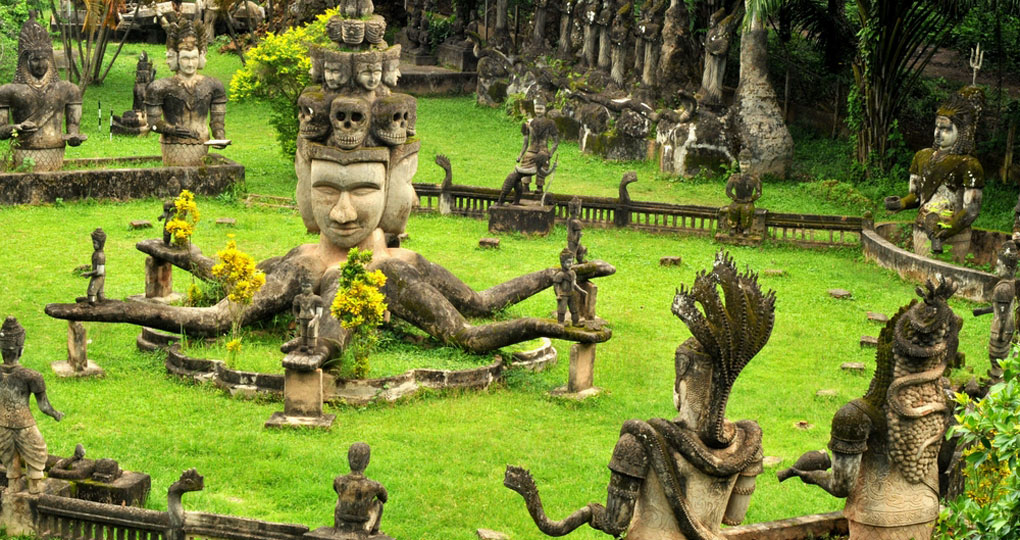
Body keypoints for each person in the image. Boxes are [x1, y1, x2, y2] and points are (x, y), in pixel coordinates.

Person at [885, 87, 984, 261]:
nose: (938, 133)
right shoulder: (922, 157)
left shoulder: (968, 165)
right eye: (937, 127)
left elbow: (972, 209)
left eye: (945, 129)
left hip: (952, 233)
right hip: (922, 227)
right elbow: (916, 196)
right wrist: (901, 203)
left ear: (961, 133)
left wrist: (949, 229)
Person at [0, 13, 87, 172]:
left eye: (44, 59)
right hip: (23, 153)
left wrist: (74, 136)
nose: (40, 64)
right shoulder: (8, 91)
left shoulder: (68, 89)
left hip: (55, 153)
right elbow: (1, 131)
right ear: (25, 60)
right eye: (35, 59)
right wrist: (17, 127)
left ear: (50, 59)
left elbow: (73, 127)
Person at [146, 18, 228, 166]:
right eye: (185, 58)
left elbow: (217, 122)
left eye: (193, 58)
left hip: (203, 142)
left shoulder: (214, 86)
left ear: (201, 56)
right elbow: (153, 123)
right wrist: (173, 130)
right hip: (172, 144)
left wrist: (219, 137)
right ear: (176, 57)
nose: (190, 64)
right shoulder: (159, 87)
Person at [0, 316, 65, 494]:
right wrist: (55, 413)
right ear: (20, 350)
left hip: (2, 425)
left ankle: (13, 488)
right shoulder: (31, 376)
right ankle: (35, 488)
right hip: (24, 424)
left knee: (9, 461)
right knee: (36, 456)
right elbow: (43, 406)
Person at [333, 442, 388, 536]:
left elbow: (335, 489)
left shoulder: (338, 481)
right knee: (378, 504)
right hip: (363, 526)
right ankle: (374, 531)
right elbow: (384, 498)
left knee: (340, 497)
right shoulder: (374, 486)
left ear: (348, 459)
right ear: (367, 462)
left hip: (341, 523)